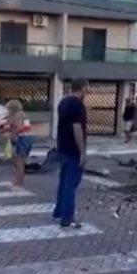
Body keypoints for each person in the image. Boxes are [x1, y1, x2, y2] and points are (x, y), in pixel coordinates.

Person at [54, 79, 89, 229]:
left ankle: (59, 211)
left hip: (62, 147)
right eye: (87, 87)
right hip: (73, 149)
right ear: (82, 87)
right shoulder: (77, 104)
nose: (88, 90)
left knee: (63, 181)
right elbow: (77, 128)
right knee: (71, 184)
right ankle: (67, 217)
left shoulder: (63, 103)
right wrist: (82, 151)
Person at [3, 99, 32, 190]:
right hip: (26, 138)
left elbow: (19, 127)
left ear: (12, 108)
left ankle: (19, 182)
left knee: (19, 162)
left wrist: (11, 135)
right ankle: (18, 181)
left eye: (8, 108)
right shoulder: (21, 114)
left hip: (22, 138)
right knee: (19, 161)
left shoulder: (17, 115)